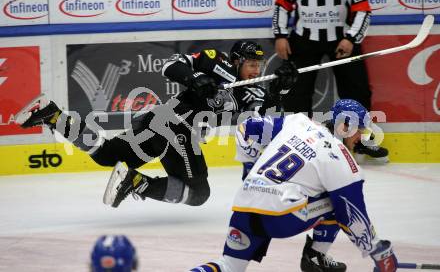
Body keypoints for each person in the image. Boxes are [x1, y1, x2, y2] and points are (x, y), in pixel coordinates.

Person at [17, 40, 297, 209]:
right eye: (251, 65)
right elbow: (170, 66)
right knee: (199, 193)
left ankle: (53, 116)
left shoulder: (254, 92)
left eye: (260, 67)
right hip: (172, 126)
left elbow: (266, 119)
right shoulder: (214, 61)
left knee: (106, 155)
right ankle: (137, 182)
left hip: (162, 127)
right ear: (236, 61)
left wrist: (281, 91)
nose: (256, 71)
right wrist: (193, 79)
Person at [190, 99, 398, 272]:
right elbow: (351, 215)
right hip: (280, 217)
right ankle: (316, 255)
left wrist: (250, 174)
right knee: (338, 199)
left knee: (228, 267)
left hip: (244, 204)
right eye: (359, 130)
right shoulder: (342, 160)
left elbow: (247, 127)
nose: (360, 138)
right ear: (345, 126)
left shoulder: (297, 122)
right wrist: (378, 251)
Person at [272, 0, 389, 163]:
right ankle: (300, 141)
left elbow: (363, 9)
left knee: (357, 89)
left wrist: (351, 38)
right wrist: (280, 35)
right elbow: (282, 5)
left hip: (342, 39)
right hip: (304, 39)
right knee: (296, 92)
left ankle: (359, 141)